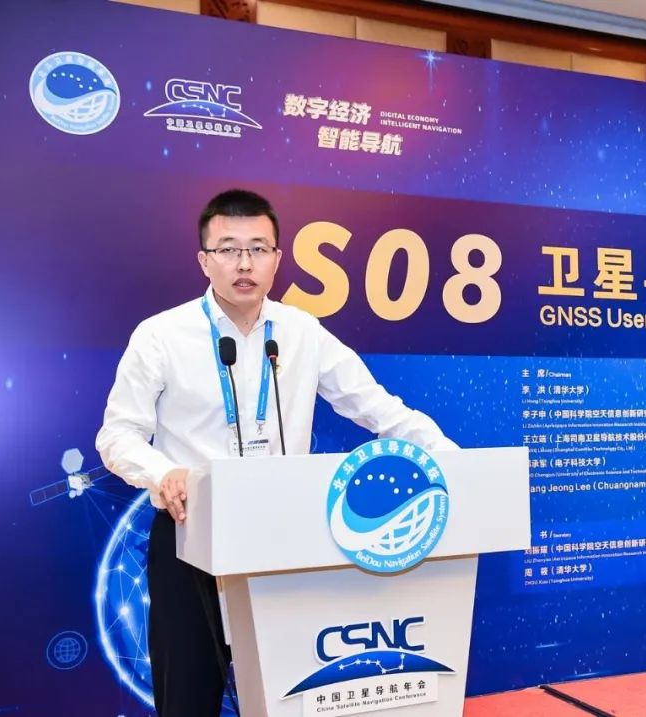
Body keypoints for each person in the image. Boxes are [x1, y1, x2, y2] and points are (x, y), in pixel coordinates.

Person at [96, 188, 457, 717]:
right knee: (189, 694)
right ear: (204, 260)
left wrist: (451, 458)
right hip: (191, 530)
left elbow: (375, 406)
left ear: (277, 259)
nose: (244, 264)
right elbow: (117, 435)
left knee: (291, 693)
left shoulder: (301, 331)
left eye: (258, 249)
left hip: (285, 536)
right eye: (228, 249)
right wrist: (164, 472)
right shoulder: (161, 335)